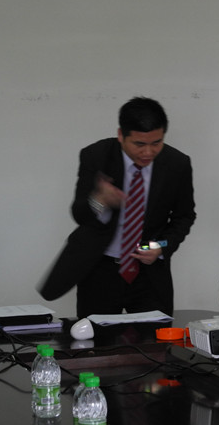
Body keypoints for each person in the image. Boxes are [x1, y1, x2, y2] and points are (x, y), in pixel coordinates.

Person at [40, 97, 196, 317]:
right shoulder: (96, 156)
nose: (148, 152)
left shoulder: (177, 164)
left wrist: (160, 246)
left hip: (149, 274)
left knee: (154, 336)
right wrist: (99, 200)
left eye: (156, 143)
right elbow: (80, 214)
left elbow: (184, 216)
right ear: (121, 135)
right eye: (139, 144)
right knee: (95, 336)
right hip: (100, 269)